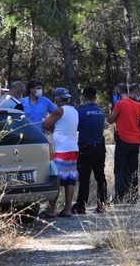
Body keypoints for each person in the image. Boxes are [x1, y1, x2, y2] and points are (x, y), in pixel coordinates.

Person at [107, 83, 140, 203]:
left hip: (123, 141)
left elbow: (110, 119)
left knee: (119, 169)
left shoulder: (120, 104)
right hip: (135, 142)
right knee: (132, 169)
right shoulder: (137, 105)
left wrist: (112, 109)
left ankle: (119, 196)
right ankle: (133, 195)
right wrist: (139, 129)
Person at [41, 87, 79, 217]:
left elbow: (45, 124)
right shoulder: (74, 111)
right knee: (70, 180)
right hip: (73, 148)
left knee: (57, 180)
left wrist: (51, 126)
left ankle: (51, 209)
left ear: (57, 100)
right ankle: (67, 208)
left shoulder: (59, 110)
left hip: (63, 150)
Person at [71, 86, 108, 214]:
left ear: (83, 97)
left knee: (84, 178)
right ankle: (102, 204)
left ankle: (81, 205)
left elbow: (75, 128)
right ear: (95, 97)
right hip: (99, 148)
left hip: (86, 149)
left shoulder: (80, 112)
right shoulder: (100, 112)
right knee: (100, 177)